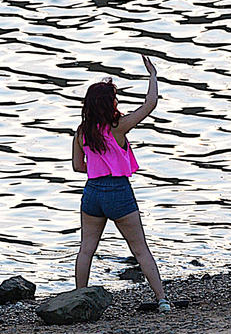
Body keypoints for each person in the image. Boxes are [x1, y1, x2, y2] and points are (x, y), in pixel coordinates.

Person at [72, 56, 171, 312]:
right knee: (140, 249)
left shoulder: (81, 131)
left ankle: (78, 299)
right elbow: (150, 104)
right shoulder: (118, 127)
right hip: (118, 191)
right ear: (110, 103)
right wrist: (152, 75)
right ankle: (162, 300)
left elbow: (78, 166)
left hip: (92, 192)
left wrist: (98, 167)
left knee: (86, 249)